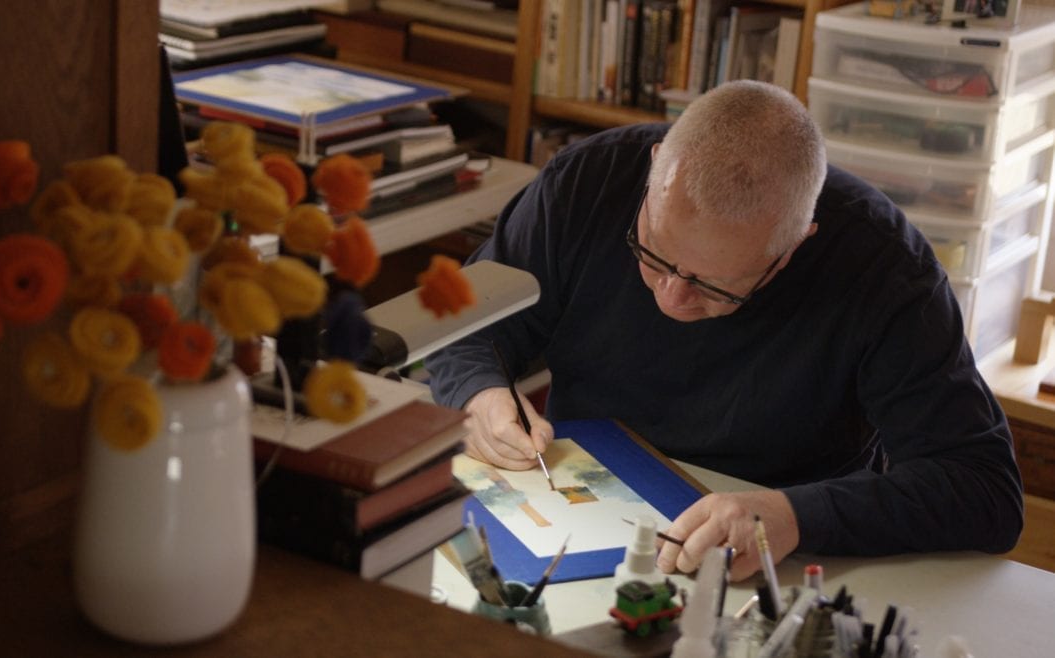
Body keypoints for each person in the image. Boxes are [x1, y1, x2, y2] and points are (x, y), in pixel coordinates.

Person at [425, 80, 1023, 582]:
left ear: (793, 247)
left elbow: (984, 489)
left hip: (767, 557)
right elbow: (463, 318)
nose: (672, 299)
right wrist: (477, 393)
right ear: (656, 168)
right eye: (653, 255)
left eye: (717, 286)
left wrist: (797, 515)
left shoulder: (886, 271)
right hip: (575, 510)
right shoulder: (588, 183)